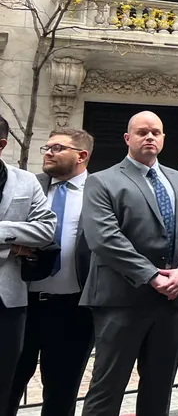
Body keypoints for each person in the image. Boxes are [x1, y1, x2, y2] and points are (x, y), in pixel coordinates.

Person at [80, 111, 178, 416]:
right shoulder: (102, 181)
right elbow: (104, 238)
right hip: (122, 300)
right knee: (108, 388)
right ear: (127, 138)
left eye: (156, 132)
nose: (149, 137)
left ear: (163, 138)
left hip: (171, 303)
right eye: (142, 132)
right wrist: (151, 276)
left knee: (159, 389)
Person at [9, 129, 95, 416]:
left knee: (61, 394)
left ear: (82, 155)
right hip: (21, 305)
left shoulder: (101, 191)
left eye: (58, 148)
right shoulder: (27, 186)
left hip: (73, 310)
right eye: (47, 146)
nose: (48, 152)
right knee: (8, 386)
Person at [0, 116, 57, 412]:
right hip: (12, 269)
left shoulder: (25, 181)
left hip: (9, 303)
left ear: (1, 145)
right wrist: (11, 249)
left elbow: (46, 229)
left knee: (4, 384)